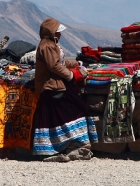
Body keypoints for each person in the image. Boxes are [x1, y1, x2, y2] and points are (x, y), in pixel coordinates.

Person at [32, 18, 97, 161]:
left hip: (57, 85)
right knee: (74, 110)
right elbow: (54, 66)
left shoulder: (51, 45)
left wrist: (77, 63)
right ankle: (66, 147)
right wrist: (72, 75)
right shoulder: (47, 46)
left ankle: (65, 147)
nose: (60, 35)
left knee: (60, 116)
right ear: (51, 32)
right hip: (51, 86)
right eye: (58, 32)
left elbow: (60, 62)